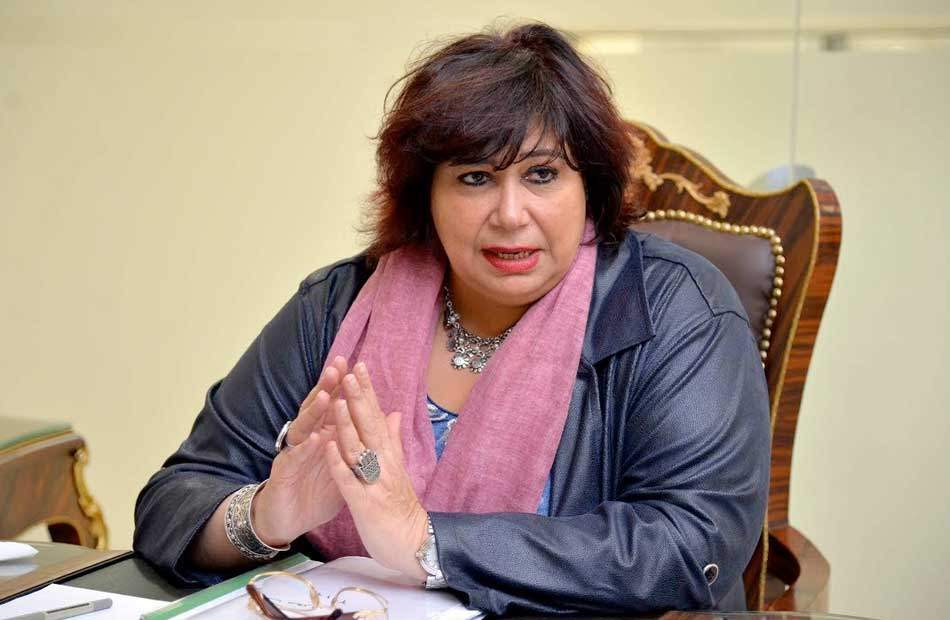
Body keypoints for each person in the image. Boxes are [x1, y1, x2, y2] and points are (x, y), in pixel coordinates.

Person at [134, 23, 770, 616]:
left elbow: (693, 542)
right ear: (426, 196)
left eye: (542, 174)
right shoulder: (338, 303)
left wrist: (426, 541)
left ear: (590, 187)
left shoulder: (675, 308)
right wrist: (268, 514)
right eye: (474, 178)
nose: (511, 214)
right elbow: (172, 502)